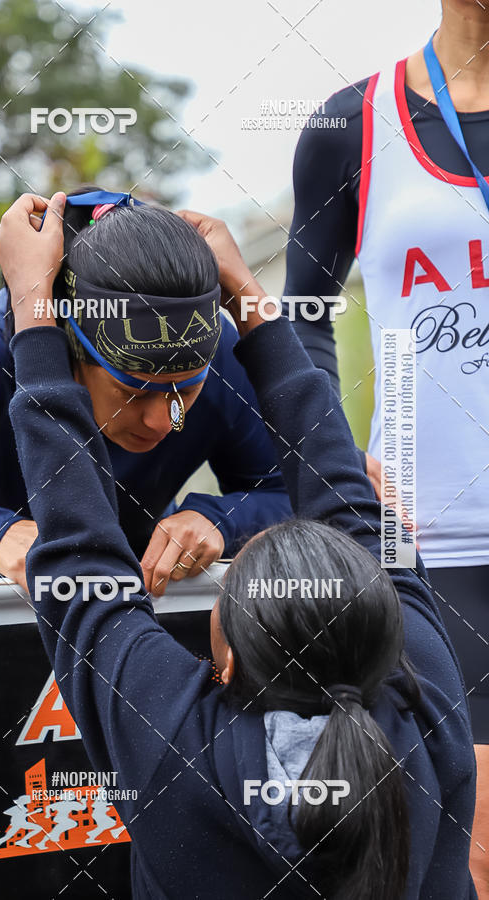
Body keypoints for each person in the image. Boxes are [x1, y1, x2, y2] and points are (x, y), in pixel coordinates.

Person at [0, 195, 477, 898]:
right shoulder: (430, 712)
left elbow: (78, 557)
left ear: (224, 666)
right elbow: (87, 565)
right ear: (383, 621)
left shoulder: (178, 754)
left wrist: (33, 303)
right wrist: (246, 295)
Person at [284, 1, 489, 890]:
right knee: (476, 845)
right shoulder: (350, 123)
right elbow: (298, 321)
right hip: (434, 547)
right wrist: (336, 460)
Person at [0, 186, 292, 595]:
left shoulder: (216, 353)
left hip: (125, 608)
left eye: (185, 391)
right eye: (132, 391)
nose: (161, 421)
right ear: (65, 347)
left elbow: (290, 491)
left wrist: (220, 520)